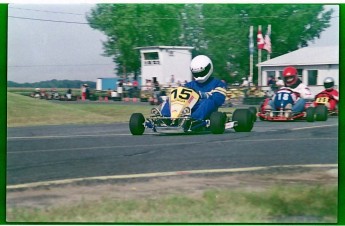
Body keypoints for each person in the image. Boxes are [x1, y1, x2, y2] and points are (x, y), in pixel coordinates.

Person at [160, 55, 227, 126]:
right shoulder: (190, 85)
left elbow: (218, 100)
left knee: (208, 102)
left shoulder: (218, 83)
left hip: (205, 109)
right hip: (187, 108)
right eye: (196, 73)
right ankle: (165, 118)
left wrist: (202, 95)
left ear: (209, 68)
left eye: (201, 73)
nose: (199, 75)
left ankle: (193, 120)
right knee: (171, 100)